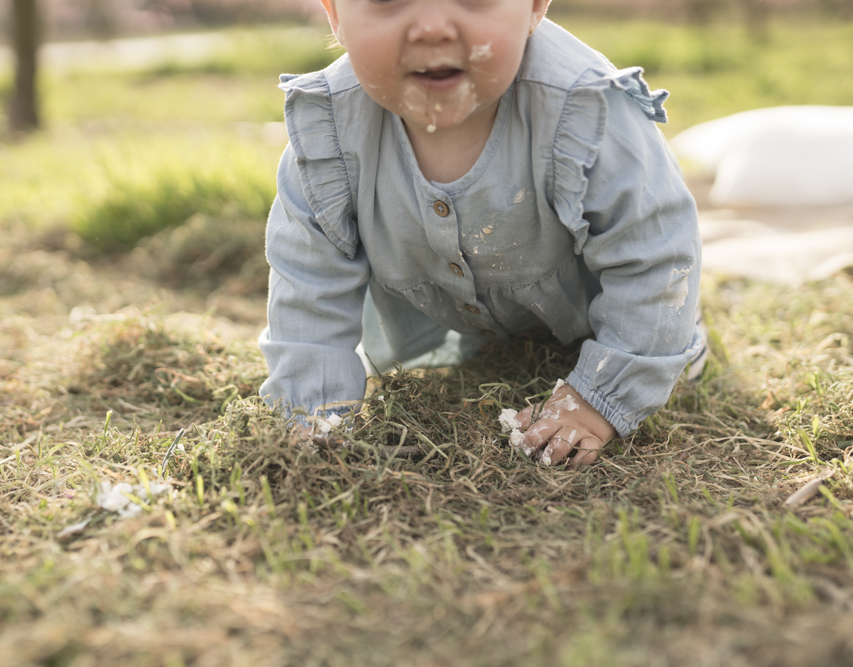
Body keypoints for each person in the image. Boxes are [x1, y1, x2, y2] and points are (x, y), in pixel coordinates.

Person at [257, 0, 706, 467]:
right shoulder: (329, 134)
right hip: (471, 327)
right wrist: (313, 414)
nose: (431, 27)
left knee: (665, 333)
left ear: (534, 6)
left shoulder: (585, 108)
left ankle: (654, 352)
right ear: (335, 15)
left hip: (609, 314)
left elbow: (657, 254)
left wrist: (604, 398)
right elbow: (308, 285)